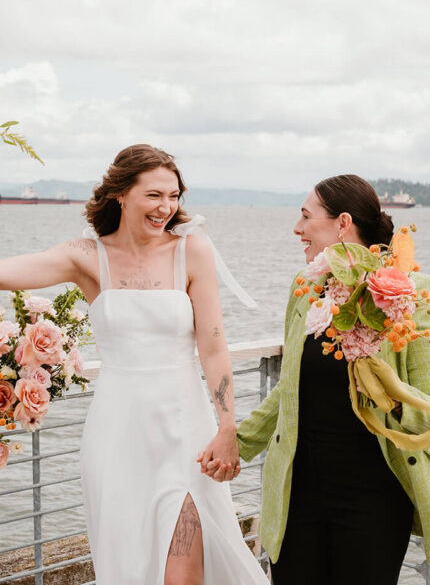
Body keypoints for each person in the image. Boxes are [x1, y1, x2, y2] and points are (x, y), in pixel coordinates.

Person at [0, 144, 269, 585]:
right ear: (121, 194)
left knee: (183, 573)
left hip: (185, 431)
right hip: (117, 434)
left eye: (174, 195)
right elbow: (9, 271)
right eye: (154, 195)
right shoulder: (86, 256)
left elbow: (215, 347)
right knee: (126, 567)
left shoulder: (191, 251)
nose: (166, 207)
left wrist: (226, 429)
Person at [203, 174, 430, 585]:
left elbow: (425, 405)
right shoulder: (305, 287)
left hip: (375, 498)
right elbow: (290, 388)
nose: (297, 228)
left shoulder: (411, 292)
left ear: (342, 223)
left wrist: (383, 388)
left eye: (306, 217)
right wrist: (236, 440)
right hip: (298, 495)